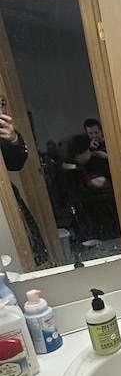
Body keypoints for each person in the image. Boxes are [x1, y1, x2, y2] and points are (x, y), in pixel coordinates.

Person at [0, 97, 48, 265]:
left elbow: (16, 164)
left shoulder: (3, 133)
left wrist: (13, 139)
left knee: (30, 254)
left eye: (1, 103)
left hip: (10, 201)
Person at [71, 121, 111, 189]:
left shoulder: (109, 141)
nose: (94, 136)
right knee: (95, 181)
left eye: (96, 132)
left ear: (101, 131)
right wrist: (90, 149)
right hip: (95, 175)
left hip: (110, 172)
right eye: (90, 133)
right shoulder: (84, 143)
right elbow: (78, 162)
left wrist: (106, 156)